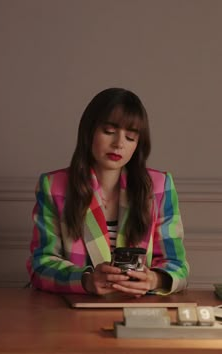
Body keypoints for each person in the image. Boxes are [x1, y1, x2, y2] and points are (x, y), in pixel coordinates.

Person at [26, 87, 189, 297]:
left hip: (140, 313)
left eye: (130, 137)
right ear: (89, 131)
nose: (119, 144)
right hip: (74, 315)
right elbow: (40, 266)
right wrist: (85, 279)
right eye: (109, 132)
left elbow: (178, 266)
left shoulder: (159, 186)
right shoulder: (53, 185)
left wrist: (153, 279)